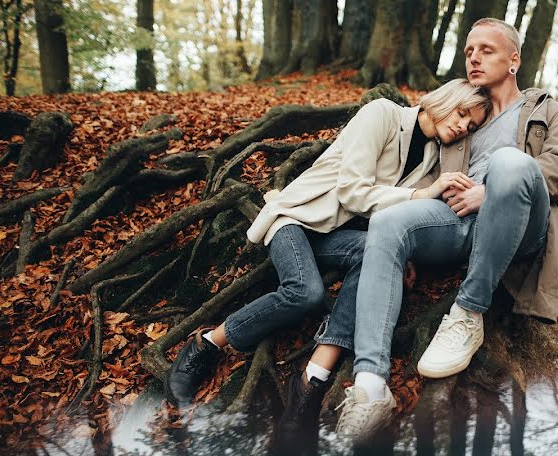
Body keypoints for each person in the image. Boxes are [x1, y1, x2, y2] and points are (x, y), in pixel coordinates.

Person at [165, 80, 491, 430]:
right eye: (461, 114)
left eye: (470, 126)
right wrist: (424, 195)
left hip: (339, 236)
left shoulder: (431, 159)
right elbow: (353, 192)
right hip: (298, 218)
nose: (461, 127)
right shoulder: (382, 114)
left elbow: (393, 219)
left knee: (373, 258)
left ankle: (311, 381)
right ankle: (207, 344)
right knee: (305, 293)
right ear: (442, 100)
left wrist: (402, 250)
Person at [335, 18, 558, 443]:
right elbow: (423, 168)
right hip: (458, 223)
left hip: (522, 226)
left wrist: (489, 192)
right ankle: (370, 384)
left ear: (513, 60)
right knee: (389, 221)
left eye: (486, 50)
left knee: (510, 164)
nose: (474, 58)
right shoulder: (466, 112)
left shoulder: (547, 111)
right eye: (469, 51)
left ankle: (468, 313)